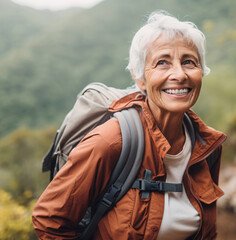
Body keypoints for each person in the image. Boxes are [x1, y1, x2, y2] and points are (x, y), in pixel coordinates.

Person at [32, 11, 226, 240]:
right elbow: (49, 219)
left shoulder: (206, 146)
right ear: (139, 78)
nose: (179, 74)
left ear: (201, 72)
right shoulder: (112, 141)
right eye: (162, 62)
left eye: (189, 62)